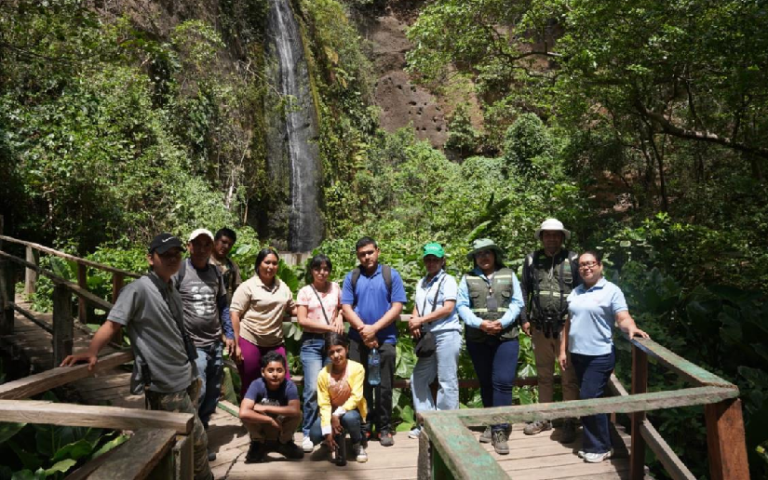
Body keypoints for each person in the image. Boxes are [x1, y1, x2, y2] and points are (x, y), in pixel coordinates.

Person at [60, 233, 213, 480]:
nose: (172, 259)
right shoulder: (137, 290)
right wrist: (92, 351)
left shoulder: (171, 288)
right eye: (165, 255)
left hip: (185, 373)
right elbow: (113, 323)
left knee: (176, 441)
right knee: (197, 438)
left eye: (176, 254)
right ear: (151, 259)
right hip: (165, 383)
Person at [559, 251, 649, 463]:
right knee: (591, 398)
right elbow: (568, 323)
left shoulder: (611, 291)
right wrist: (563, 350)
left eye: (591, 264)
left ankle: (600, 447)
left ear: (600, 266)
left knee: (589, 398)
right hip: (578, 355)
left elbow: (622, 316)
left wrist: (632, 328)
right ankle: (597, 441)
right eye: (582, 265)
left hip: (599, 355)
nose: (586, 268)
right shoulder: (576, 292)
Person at [457, 238, 525, 455]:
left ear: (495, 254)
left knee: (503, 382)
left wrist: (502, 322)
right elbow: (462, 306)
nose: (484, 257)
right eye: (479, 254)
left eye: (488, 253)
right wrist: (480, 324)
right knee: (485, 383)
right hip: (479, 337)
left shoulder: (509, 274)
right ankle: (490, 421)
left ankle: (500, 428)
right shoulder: (467, 278)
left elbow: (517, 302)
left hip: (506, 336)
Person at [341, 237, 407, 447]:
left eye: (370, 252)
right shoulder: (352, 277)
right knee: (360, 386)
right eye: (362, 254)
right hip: (358, 340)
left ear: (377, 251)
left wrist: (374, 329)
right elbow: (346, 307)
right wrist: (364, 330)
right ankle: (364, 426)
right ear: (357, 256)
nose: (367, 257)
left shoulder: (390, 275)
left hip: (385, 339)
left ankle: (384, 427)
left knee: (385, 386)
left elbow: (397, 306)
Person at [176, 228, 235, 463]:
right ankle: (192, 446)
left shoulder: (215, 273)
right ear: (189, 246)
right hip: (193, 345)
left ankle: (201, 437)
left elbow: (222, 305)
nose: (201, 249)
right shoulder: (179, 271)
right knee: (197, 394)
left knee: (212, 395)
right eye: (197, 244)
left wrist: (228, 333)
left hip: (214, 343)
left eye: (206, 245)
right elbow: (168, 303)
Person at [520, 218, 580, 442]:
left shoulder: (573, 259)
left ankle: (569, 421)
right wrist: (524, 318)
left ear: (562, 237)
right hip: (540, 327)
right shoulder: (531, 260)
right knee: (544, 375)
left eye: (556, 234)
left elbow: (581, 290)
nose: (552, 238)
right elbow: (524, 289)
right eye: (547, 234)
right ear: (541, 237)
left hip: (567, 327)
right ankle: (544, 417)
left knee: (568, 375)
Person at [407, 242, 461, 439]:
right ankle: (427, 423)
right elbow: (417, 306)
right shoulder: (421, 283)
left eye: (435, 259)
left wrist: (421, 320)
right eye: (428, 259)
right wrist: (414, 321)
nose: (431, 263)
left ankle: (448, 428)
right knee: (418, 378)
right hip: (429, 336)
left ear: (442, 261)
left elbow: (448, 308)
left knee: (447, 380)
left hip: (447, 333)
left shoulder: (449, 281)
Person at [230, 248, 297, 398]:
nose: (270, 267)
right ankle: (249, 417)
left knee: (284, 381)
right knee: (250, 381)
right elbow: (234, 313)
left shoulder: (283, 287)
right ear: (259, 264)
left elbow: (293, 309)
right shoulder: (247, 287)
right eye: (267, 262)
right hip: (250, 338)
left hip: (274, 341)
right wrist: (236, 343)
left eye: (274, 263)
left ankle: (280, 416)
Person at [296, 253, 345, 452]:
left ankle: (329, 432)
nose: (322, 272)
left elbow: (343, 307)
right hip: (311, 344)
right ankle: (308, 431)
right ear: (311, 271)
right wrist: (329, 327)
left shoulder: (336, 288)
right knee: (311, 389)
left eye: (325, 269)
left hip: (330, 344)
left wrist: (340, 317)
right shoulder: (305, 292)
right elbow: (302, 320)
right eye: (318, 269)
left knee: (332, 389)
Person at [308, 332, 368, 464]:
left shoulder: (357, 368)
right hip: (330, 412)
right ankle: (329, 440)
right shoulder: (323, 374)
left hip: (351, 411)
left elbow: (356, 397)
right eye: (331, 352)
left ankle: (357, 443)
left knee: (350, 418)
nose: (336, 355)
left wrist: (336, 415)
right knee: (314, 434)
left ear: (346, 348)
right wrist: (327, 430)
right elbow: (324, 404)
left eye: (339, 350)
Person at [239, 350, 304, 463]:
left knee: (297, 414)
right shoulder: (256, 384)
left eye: (279, 370)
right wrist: (269, 419)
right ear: (263, 372)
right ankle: (258, 443)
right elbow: (243, 413)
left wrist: (265, 408)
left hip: (281, 426)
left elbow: (294, 410)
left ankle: (284, 442)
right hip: (262, 425)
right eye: (270, 370)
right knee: (247, 416)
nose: (275, 374)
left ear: (285, 372)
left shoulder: (289, 386)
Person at [210, 228, 242, 304]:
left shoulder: (232, 265)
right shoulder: (204, 261)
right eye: (223, 242)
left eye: (230, 245)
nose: (226, 247)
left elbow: (238, 288)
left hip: (226, 309)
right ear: (215, 241)